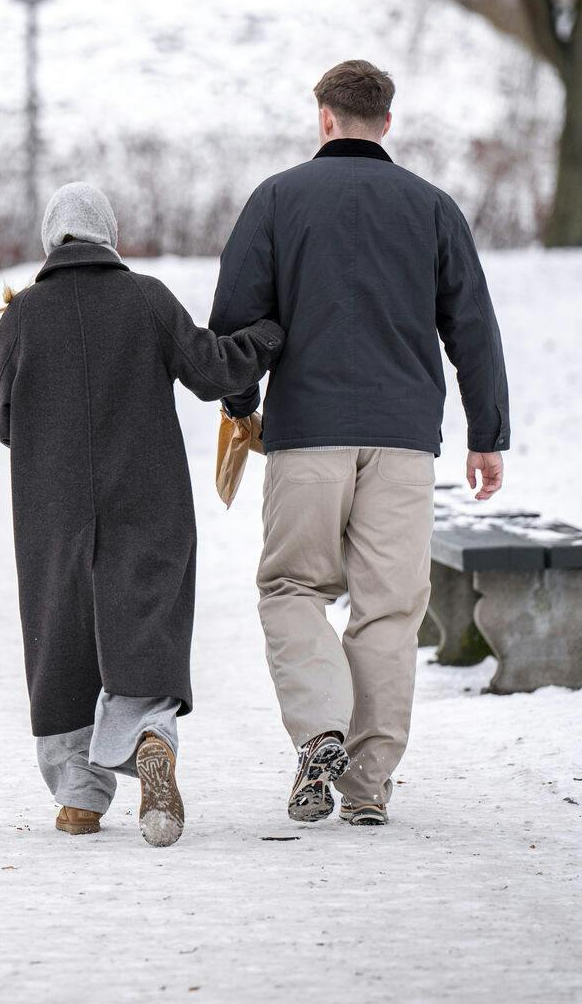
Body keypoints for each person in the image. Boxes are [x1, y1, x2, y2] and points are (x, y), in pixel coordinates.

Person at [209, 59, 509, 829]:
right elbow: (472, 324)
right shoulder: (432, 207)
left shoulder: (277, 199)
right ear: (387, 122)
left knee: (291, 589)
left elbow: (235, 319)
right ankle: (369, 783)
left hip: (308, 434)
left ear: (324, 117)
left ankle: (321, 733)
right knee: (387, 609)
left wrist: (242, 405)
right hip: (406, 440)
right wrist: (487, 434)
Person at [0, 182, 283, 847]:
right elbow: (212, 371)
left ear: (51, 237)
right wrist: (264, 337)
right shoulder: (146, 299)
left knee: (60, 634)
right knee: (143, 620)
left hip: (53, 509)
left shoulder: (24, 315)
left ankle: (79, 799)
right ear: (108, 233)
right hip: (148, 497)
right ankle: (149, 734)